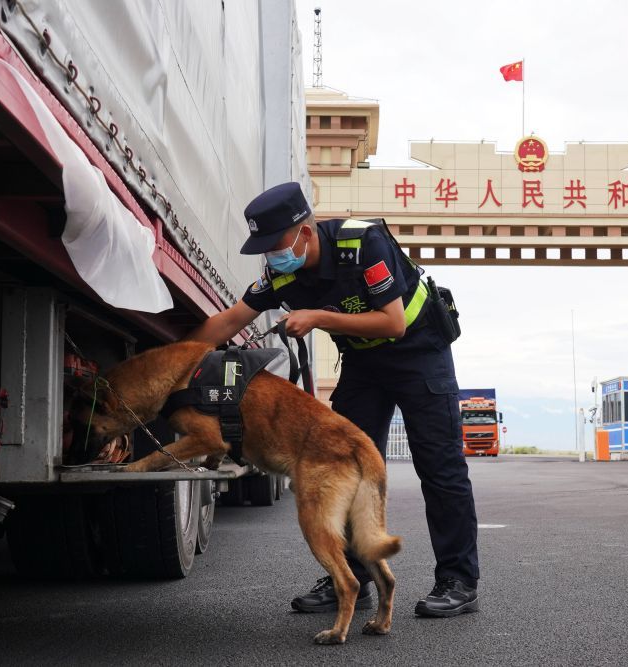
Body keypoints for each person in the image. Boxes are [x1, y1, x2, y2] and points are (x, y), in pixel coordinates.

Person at [186, 181, 480, 617]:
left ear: (304, 233)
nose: (271, 255)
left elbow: (393, 322)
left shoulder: (363, 243)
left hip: (419, 354)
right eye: (263, 248)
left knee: (440, 468)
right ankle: (352, 579)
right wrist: (178, 359)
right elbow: (230, 320)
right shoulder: (281, 272)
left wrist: (318, 316)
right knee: (342, 464)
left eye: (275, 244)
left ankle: (457, 580)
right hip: (363, 364)